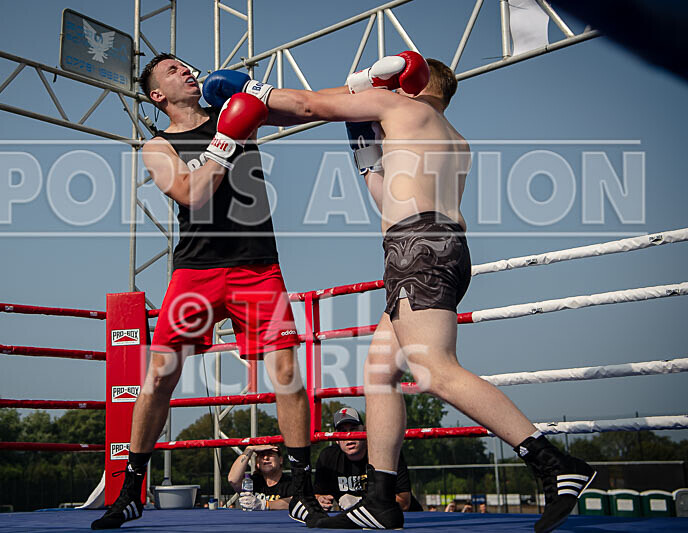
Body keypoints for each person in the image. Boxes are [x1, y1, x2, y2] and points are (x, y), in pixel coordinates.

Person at [203, 52, 596, 532]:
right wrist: (363, 149)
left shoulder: (398, 106)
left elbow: (307, 106)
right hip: (435, 248)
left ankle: (554, 463)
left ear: (410, 83)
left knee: (436, 370)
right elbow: (386, 196)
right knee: (380, 371)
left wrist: (251, 90)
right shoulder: (452, 138)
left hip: (418, 250)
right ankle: (381, 499)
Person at [90, 53, 327, 530]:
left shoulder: (235, 112)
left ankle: (302, 492)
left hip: (257, 266)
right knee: (160, 377)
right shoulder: (158, 146)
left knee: (287, 373)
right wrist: (226, 139)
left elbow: (306, 108)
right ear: (158, 95)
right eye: (173, 70)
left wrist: (363, 90)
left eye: (186, 65)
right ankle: (130, 492)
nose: (187, 71)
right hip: (196, 270)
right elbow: (190, 193)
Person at [314, 407, 418, 512]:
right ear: (336, 439)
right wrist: (320, 500)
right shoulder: (328, 457)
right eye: (343, 431)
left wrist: (362, 502)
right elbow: (318, 495)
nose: (349, 436)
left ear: (364, 430)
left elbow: (404, 503)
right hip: (352, 520)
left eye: (353, 429)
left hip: (405, 518)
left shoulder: (385, 453)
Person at [227, 444, 292, 510]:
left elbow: (294, 502)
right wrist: (249, 449)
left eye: (270, 454)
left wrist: (264, 504)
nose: (266, 458)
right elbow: (233, 480)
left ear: (280, 460)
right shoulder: (251, 483)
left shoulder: (291, 482)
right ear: (257, 463)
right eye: (262, 455)